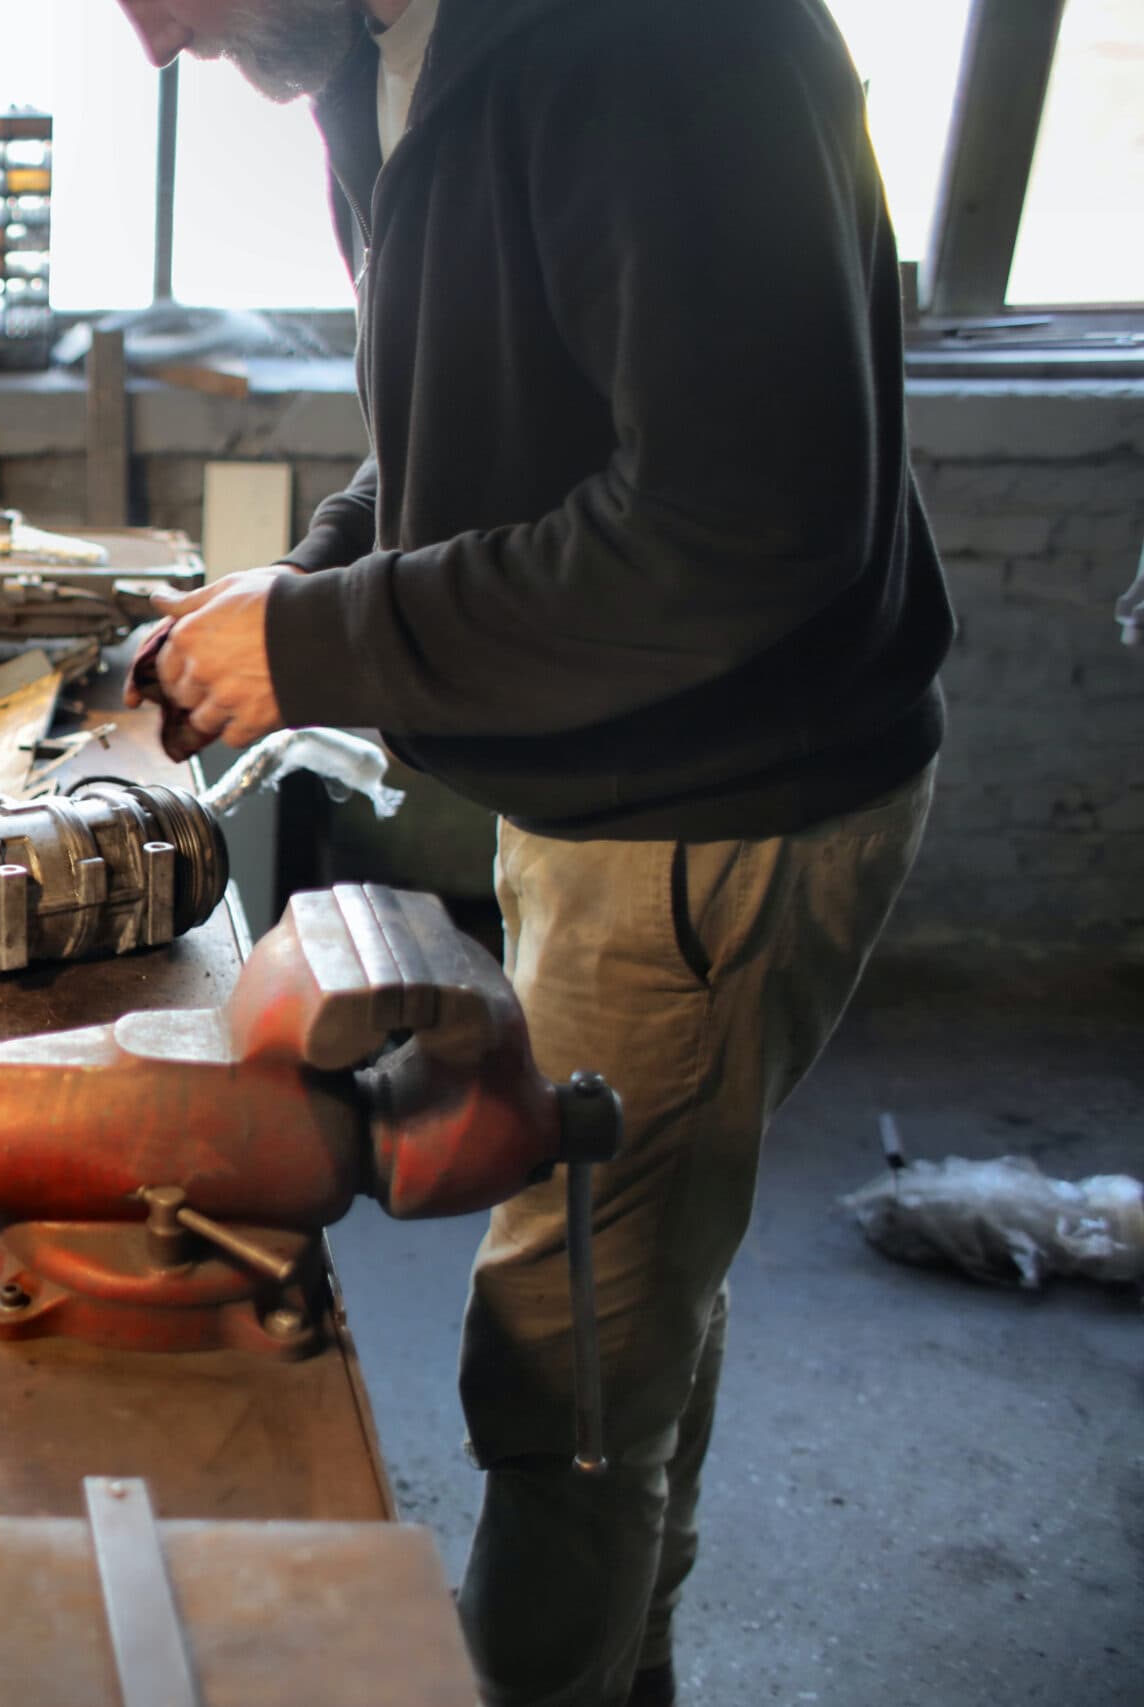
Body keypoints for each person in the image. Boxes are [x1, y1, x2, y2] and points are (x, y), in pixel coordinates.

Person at [111, 2, 953, 1704]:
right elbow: (487, 417)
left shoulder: (652, 40)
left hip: (719, 804)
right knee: (634, 1284)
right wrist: (297, 596)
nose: (150, 43)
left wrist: (329, 644)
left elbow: (736, 527)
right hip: (611, 784)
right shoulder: (382, 50)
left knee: (568, 1366)